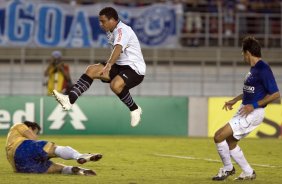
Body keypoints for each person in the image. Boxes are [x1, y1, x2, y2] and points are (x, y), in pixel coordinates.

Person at [53, 7, 146, 127]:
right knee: (92, 70)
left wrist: (109, 64)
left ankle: (134, 109)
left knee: (115, 85)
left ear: (112, 20)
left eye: (103, 21)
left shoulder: (123, 30)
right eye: (100, 21)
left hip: (135, 69)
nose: (100, 24)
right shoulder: (111, 31)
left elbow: (118, 48)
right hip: (120, 66)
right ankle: (69, 100)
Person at [212, 36, 280, 181]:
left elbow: (275, 94)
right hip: (245, 109)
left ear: (248, 52)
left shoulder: (263, 69)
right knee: (230, 142)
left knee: (218, 136)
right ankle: (248, 172)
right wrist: (234, 100)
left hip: (253, 112)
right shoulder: (254, 69)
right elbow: (250, 91)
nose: (242, 55)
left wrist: (254, 106)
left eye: (242, 52)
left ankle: (228, 169)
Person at [6, 121, 102, 175]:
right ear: (30, 128)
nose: (37, 135)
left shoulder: (11, 138)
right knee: (54, 149)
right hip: (21, 147)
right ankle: (79, 156)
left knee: (57, 168)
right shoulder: (19, 125)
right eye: (36, 132)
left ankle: (76, 170)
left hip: (19, 166)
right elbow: (33, 138)